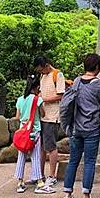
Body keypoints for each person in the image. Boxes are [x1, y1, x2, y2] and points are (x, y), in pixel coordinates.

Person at [61, 53, 100, 198]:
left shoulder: (77, 81)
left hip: (75, 128)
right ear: (97, 67)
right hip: (91, 128)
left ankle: (67, 196)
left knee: (73, 160)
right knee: (90, 162)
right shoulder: (98, 85)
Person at [14, 77, 55, 194]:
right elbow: (43, 113)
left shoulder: (20, 99)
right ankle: (39, 183)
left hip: (22, 131)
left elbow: (17, 117)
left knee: (21, 156)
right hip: (34, 131)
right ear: (37, 87)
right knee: (35, 156)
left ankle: (20, 183)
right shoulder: (37, 99)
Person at [34, 56, 65, 187]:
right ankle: (40, 175)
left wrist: (44, 99)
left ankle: (52, 175)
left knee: (51, 147)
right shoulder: (43, 77)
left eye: (42, 70)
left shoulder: (57, 75)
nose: (41, 72)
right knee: (41, 147)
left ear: (47, 65)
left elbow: (61, 95)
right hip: (42, 116)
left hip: (52, 116)